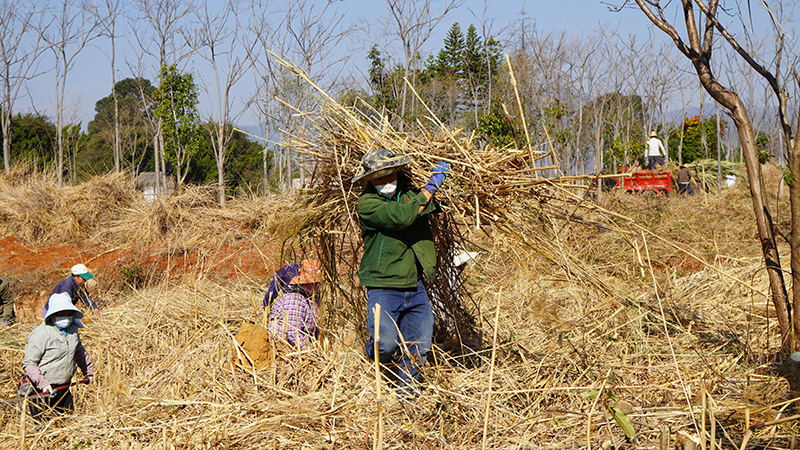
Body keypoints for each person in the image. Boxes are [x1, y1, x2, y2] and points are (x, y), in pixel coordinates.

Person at [352, 148, 449, 397]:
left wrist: (428, 193)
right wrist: (429, 188)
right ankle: (372, 356)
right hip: (384, 286)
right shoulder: (367, 204)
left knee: (418, 348)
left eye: (389, 176)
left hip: (415, 287)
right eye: (379, 179)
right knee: (384, 345)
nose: (386, 183)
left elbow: (429, 207)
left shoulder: (409, 195)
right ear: (369, 180)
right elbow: (401, 217)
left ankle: (406, 396)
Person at [20, 292, 94, 419]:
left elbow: (79, 352)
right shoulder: (41, 334)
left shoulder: (72, 331)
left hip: (64, 387)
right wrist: (42, 382)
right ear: (53, 315)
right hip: (42, 390)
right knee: (44, 428)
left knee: (68, 421)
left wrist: (88, 371)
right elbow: (29, 363)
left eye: (68, 314)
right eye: (61, 314)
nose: (65, 317)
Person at [267, 258, 324, 349]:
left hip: (301, 347)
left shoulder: (310, 301)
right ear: (304, 283)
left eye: (318, 283)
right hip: (285, 348)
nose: (317, 286)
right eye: (313, 283)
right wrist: (311, 351)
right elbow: (292, 333)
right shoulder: (295, 300)